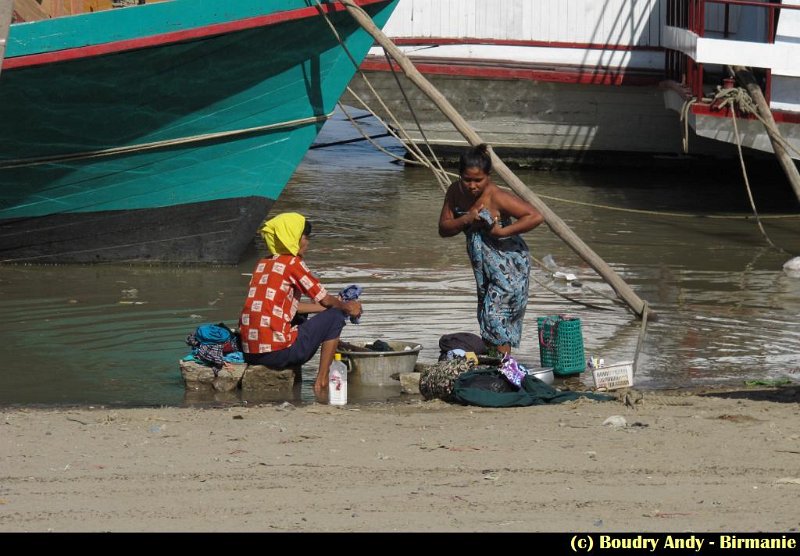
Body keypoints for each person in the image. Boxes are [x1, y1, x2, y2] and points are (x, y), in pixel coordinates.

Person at [238, 212, 362, 398]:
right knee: (336, 318)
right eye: (305, 237)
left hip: (251, 352)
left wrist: (329, 307)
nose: (307, 243)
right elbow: (325, 299)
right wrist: (347, 307)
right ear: (293, 237)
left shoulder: (263, 263)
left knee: (310, 316)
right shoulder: (292, 263)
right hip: (277, 353)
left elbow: (289, 307)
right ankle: (321, 381)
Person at [438, 143, 544, 356]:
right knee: (486, 313)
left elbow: (535, 216)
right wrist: (466, 218)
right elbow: (444, 228)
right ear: (460, 175)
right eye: (467, 179)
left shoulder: (497, 196)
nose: (472, 186)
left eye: (478, 180)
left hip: (509, 263)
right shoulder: (454, 193)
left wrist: (502, 232)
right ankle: (498, 364)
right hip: (482, 263)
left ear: (489, 177)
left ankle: (504, 368)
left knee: (496, 315)